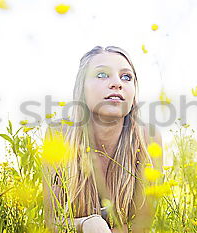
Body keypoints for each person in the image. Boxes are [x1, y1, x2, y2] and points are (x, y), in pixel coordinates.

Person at [42, 46, 163, 233]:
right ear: (81, 88)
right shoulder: (59, 134)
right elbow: (51, 221)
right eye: (101, 75)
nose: (117, 83)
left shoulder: (148, 137)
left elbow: (144, 224)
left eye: (126, 77)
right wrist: (86, 224)